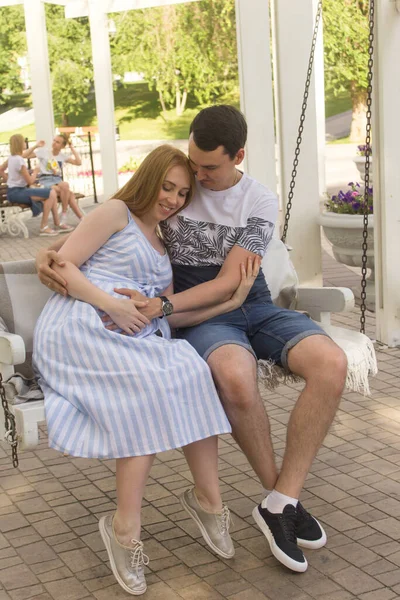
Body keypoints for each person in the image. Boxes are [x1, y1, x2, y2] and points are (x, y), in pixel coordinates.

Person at [36, 106, 348, 574]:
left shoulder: (257, 200)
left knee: (332, 364)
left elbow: (223, 286)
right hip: (153, 318)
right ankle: (268, 504)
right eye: (189, 166)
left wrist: (163, 307)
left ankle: (280, 499)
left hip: (243, 301)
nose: (194, 182)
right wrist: (49, 256)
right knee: (226, 377)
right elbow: (86, 251)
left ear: (238, 156)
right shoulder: (153, 200)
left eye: (206, 170)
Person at [33, 144, 260, 596]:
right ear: (149, 178)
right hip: (80, 324)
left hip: (133, 333)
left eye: (182, 192)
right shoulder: (115, 212)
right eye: (167, 186)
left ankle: (208, 501)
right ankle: (124, 531)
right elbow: (63, 264)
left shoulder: (163, 245)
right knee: (147, 387)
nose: (173, 198)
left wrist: (232, 301)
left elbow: (167, 315)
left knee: (192, 371)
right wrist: (112, 305)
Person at [2, 134, 72, 236]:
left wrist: (10, 182)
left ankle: (54, 224)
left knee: (50, 193)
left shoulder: (11, 158)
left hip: (13, 192)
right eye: (23, 142)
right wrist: (35, 171)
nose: (24, 143)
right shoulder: (19, 160)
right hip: (18, 192)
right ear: (19, 144)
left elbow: (1, 169)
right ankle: (44, 227)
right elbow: (30, 181)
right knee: (51, 193)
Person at [25, 134, 85, 225]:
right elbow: (25, 155)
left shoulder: (62, 156)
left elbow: (78, 162)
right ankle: (81, 218)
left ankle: (64, 214)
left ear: (62, 146)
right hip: (45, 180)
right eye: (54, 140)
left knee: (65, 185)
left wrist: (71, 148)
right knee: (69, 193)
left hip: (57, 180)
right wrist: (36, 145)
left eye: (58, 142)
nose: (54, 143)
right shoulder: (44, 152)